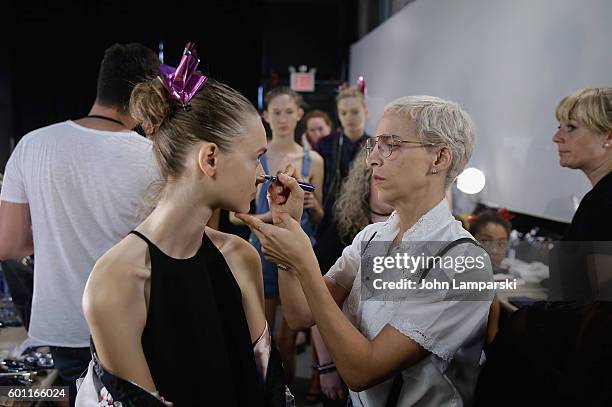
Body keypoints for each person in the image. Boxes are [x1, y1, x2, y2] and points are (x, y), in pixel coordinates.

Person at [239, 95, 494, 406]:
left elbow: (363, 371)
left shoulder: (463, 263)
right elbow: (300, 314)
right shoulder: (372, 238)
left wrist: (304, 260)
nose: (373, 158)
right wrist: (288, 226)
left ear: (439, 158)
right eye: (375, 144)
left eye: (391, 144)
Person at [81, 43, 288, 406]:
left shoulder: (241, 256)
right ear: (210, 158)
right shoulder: (117, 281)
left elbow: (264, 389)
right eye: (256, 158)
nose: (262, 175)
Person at [0, 43, 160, 406]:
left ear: (102, 85)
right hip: (132, 324)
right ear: (144, 93)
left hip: (64, 325)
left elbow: (8, 244)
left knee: (74, 396)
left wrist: (59, 232)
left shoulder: (32, 145)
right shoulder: (156, 158)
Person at [474, 87, 612, 406]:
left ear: (607, 137)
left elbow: (572, 315)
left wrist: (510, 323)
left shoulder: (602, 205)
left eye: (571, 127)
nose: (556, 138)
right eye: (559, 126)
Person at [233, 86, 324, 389]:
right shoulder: (258, 159)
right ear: (265, 115)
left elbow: (319, 216)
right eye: (276, 112)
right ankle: (264, 391)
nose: (283, 118)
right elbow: (236, 215)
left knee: (291, 334)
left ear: (299, 114)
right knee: (263, 333)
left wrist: (313, 206)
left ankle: (286, 393)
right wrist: (275, 215)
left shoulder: (314, 160)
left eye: (288, 111)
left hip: (301, 248)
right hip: (263, 249)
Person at [309, 147, 394, 405]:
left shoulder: (421, 237)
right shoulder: (348, 233)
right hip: (344, 358)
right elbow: (313, 309)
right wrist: (326, 367)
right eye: (377, 176)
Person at [314, 86, 370, 237]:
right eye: (343, 113)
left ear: (366, 111)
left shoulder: (375, 146)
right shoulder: (325, 144)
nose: (349, 118)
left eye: (355, 112)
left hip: (364, 220)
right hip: (329, 218)